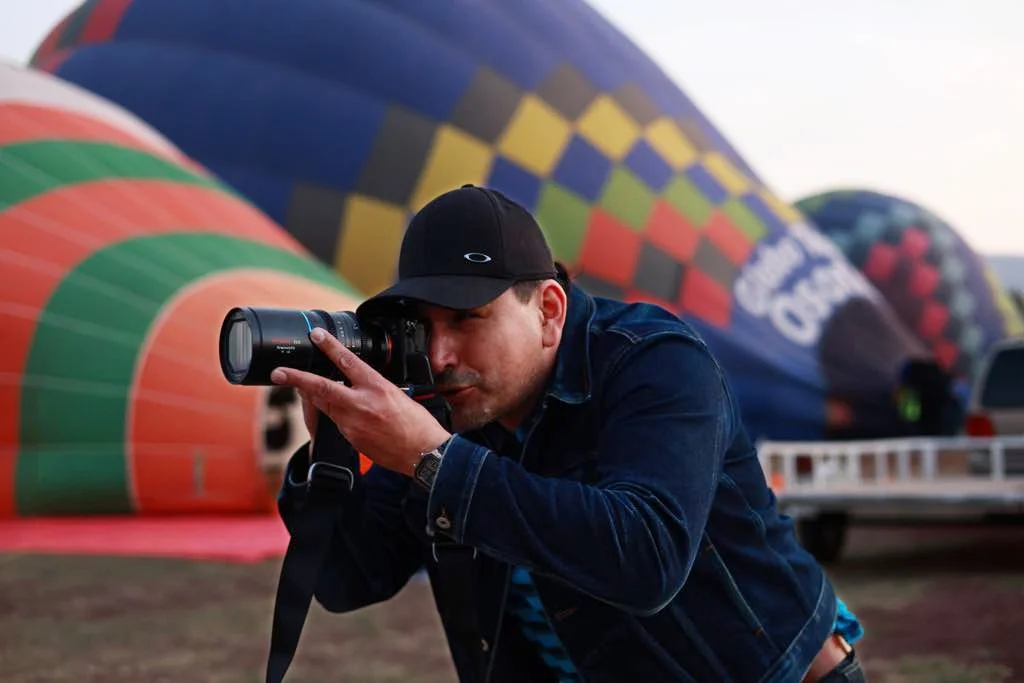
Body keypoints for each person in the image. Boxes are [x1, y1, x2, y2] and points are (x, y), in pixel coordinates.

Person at [270, 184, 868, 682]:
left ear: (549, 311)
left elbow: (647, 558)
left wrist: (434, 460)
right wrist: (330, 457)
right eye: (423, 327)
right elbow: (349, 581)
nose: (441, 354)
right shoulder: (447, 411)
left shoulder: (655, 361)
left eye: (467, 318)